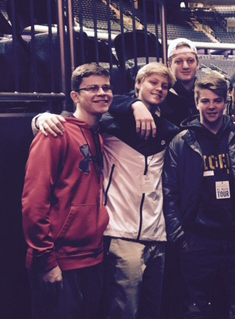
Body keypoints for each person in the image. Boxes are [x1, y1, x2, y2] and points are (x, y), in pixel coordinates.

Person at [30, 63, 180, 319]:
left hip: (151, 237)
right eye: (153, 82)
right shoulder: (107, 126)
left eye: (165, 86)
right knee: (122, 310)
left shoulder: (169, 131)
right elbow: (33, 201)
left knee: (151, 310)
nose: (159, 89)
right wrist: (40, 118)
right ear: (137, 85)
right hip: (117, 237)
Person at [162, 73, 235, 318]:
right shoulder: (182, 142)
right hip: (198, 240)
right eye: (205, 101)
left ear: (225, 103)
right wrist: (180, 236)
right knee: (197, 309)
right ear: (196, 103)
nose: (211, 107)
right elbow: (170, 193)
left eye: (217, 101)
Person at [22, 63, 111, 319]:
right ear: (75, 96)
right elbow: (34, 201)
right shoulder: (55, 132)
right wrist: (45, 260)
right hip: (59, 260)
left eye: (106, 87)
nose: (101, 93)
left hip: (92, 257)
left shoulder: (99, 134)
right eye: (92, 88)